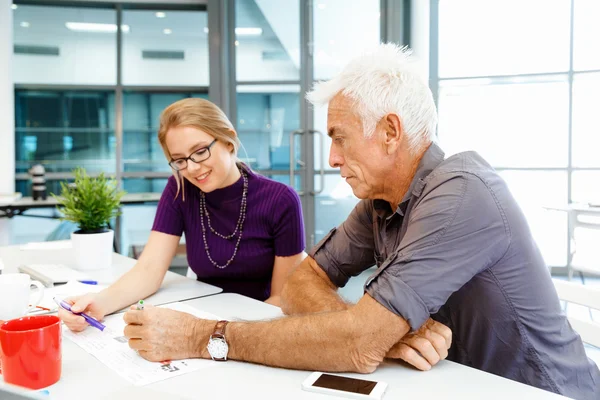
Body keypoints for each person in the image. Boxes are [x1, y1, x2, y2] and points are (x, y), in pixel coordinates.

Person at [124, 44, 598, 399]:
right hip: (457, 384)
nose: (331, 158)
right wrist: (378, 333)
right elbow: (302, 283)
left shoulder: (461, 194)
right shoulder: (381, 200)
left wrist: (204, 337)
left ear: (390, 132)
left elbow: (356, 346)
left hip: (540, 392)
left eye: (340, 138)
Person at [59, 98, 307, 332]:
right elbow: (149, 270)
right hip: (201, 318)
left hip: (257, 325)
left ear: (229, 141)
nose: (192, 168)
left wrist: (225, 335)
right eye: (179, 160)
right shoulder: (180, 189)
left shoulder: (280, 199)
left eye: (200, 151)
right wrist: (99, 304)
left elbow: (282, 298)